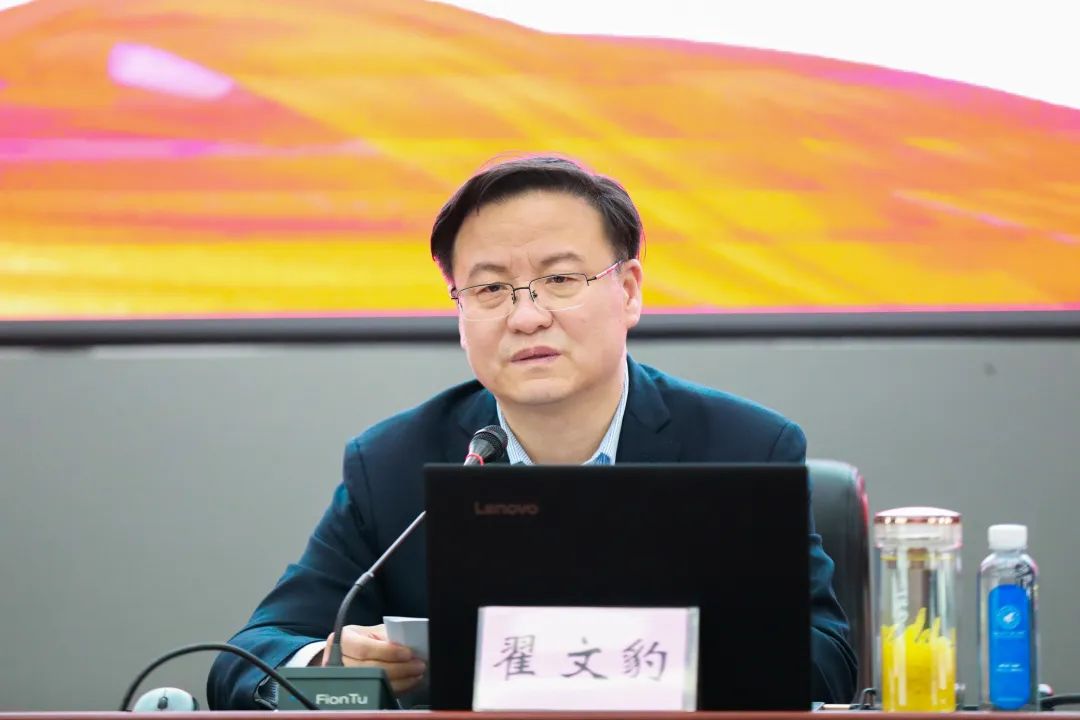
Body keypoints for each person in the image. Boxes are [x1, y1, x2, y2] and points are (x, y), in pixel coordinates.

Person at [206, 155, 858, 709]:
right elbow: (247, 660)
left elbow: (827, 661)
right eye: (491, 289)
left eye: (560, 279)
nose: (526, 317)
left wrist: (663, 660)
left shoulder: (745, 449)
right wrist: (328, 663)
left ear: (629, 291)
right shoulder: (394, 466)